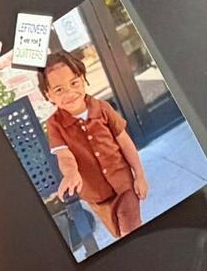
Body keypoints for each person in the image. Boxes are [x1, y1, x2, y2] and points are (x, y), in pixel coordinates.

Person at [37, 49, 147, 240]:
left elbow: (125, 142)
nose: (70, 93)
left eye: (74, 83)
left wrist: (140, 175)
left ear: (83, 78)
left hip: (124, 185)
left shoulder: (102, 108)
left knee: (130, 230)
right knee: (119, 235)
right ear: (48, 96)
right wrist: (71, 173)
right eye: (59, 90)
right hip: (95, 196)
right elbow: (65, 155)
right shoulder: (54, 124)